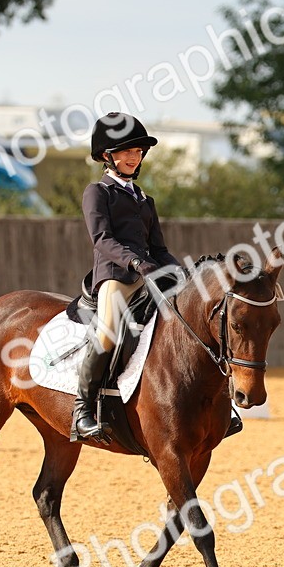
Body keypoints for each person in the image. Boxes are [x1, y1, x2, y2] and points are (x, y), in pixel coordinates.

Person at [73, 112, 181, 440]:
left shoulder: (145, 200)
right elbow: (102, 240)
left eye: (138, 152)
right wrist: (135, 264)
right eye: (126, 152)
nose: (134, 157)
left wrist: (182, 273)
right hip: (116, 277)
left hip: (149, 275)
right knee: (106, 332)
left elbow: (159, 249)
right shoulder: (98, 193)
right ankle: (83, 409)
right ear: (108, 156)